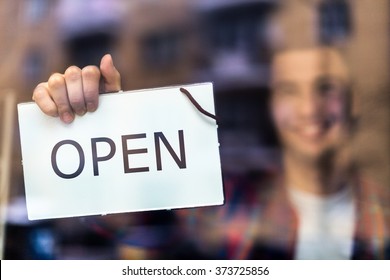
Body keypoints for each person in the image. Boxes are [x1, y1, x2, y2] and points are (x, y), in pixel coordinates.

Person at [32, 48, 389, 259]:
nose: (309, 108)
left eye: (326, 88)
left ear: (354, 101)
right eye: (289, 91)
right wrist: (112, 141)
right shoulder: (227, 210)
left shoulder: (380, 215)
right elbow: (140, 236)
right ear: (271, 104)